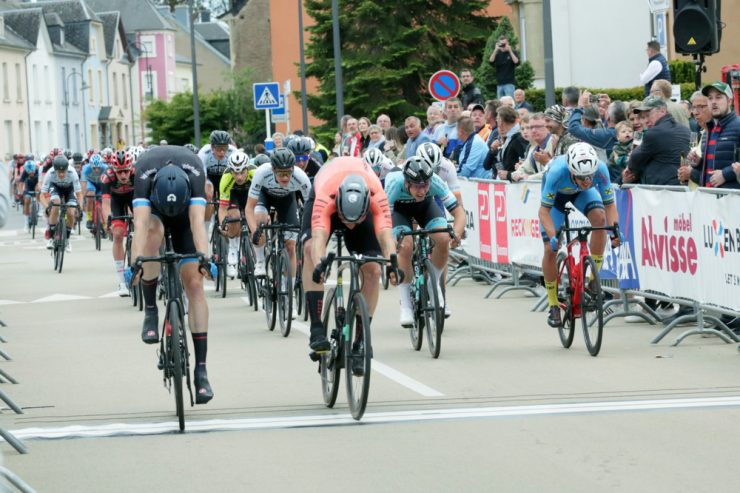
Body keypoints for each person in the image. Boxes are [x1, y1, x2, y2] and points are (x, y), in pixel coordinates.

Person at [130, 146, 214, 404]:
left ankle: (201, 369)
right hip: (154, 214)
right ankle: (151, 309)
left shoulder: (196, 172)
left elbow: (198, 223)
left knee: (195, 286)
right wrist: (135, 264)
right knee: (152, 235)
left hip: (185, 220)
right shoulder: (144, 171)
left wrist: (205, 259)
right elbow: (140, 225)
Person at [302, 158, 399, 366]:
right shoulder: (325, 196)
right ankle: (316, 327)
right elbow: (319, 238)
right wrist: (321, 264)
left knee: (373, 269)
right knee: (309, 249)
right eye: (346, 221)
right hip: (327, 193)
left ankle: (361, 339)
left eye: (353, 221)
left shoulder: (376, 196)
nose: (350, 226)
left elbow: (386, 237)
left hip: (361, 201)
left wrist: (392, 264)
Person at [539, 143, 620, 327]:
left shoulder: (600, 169)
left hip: (581, 195)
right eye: (582, 177)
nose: (587, 181)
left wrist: (615, 229)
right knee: (549, 249)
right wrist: (553, 237)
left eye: (589, 176)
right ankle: (552, 304)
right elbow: (543, 212)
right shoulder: (557, 172)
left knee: (599, 220)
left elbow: (610, 206)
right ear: (571, 171)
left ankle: (592, 280)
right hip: (557, 199)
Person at [386, 157, 466, 324]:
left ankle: (433, 283)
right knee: (406, 246)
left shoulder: (435, 182)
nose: (422, 191)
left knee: (443, 238)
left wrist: (457, 233)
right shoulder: (394, 183)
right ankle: (406, 305)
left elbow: (459, 212)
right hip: (399, 211)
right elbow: (384, 223)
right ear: (407, 183)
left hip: (425, 207)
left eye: (425, 185)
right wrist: (390, 250)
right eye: (417, 186)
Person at [246, 148, 311, 280]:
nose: (285, 177)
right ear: (273, 169)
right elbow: (249, 207)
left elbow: (311, 207)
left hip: (287, 200)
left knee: (291, 247)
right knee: (259, 219)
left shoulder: (301, 177)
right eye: (281, 173)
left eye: (288, 173)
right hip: (265, 196)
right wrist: (254, 231)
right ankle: (260, 261)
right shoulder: (262, 173)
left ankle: (289, 289)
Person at [623, 96, 689, 186]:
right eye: (643, 117)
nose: (645, 120)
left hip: (662, 191)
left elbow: (633, 163)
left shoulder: (654, 133)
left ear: (663, 110)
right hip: (682, 188)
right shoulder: (685, 129)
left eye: (648, 115)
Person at [687, 82, 740, 190]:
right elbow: (714, 165)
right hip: (709, 199)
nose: (714, 102)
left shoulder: (738, 125)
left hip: (732, 200)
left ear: (729, 101)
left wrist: (725, 174)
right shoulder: (708, 130)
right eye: (710, 98)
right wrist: (698, 163)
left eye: (718, 97)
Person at [101, 150, 136, 296]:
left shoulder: (137, 174)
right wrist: (108, 220)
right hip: (116, 202)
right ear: (114, 169)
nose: (122, 175)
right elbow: (106, 203)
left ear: (130, 168)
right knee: (118, 235)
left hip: (134, 198)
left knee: (145, 227)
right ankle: (122, 281)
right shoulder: (107, 177)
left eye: (125, 171)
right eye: (119, 172)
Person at [218, 150, 256, 279]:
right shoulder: (226, 178)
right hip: (233, 196)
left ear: (247, 169)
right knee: (233, 217)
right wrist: (223, 224)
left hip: (250, 196)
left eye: (242, 172)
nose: (239, 177)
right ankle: (233, 249)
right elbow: (222, 208)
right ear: (231, 171)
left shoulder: (255, 173)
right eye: (235, 173)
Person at [41, 156, 82, 251]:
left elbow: (79, 194)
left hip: (69, 189)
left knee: (71, 213)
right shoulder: (49, 173)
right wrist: (47, 207)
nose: (62, 174)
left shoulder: (73, 173)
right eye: (59, 172)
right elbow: (42, 195)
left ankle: (67, 240)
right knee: (56, 203)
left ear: (67, 169)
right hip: (55, 188)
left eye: (64, 172)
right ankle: (51, 238)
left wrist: (79, 207)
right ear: (55, 170)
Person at [199, 130, 235, 226]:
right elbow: (202, 176)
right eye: (219, 148)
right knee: (208, 195)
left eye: (225, 148)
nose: (222, 152)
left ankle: (227, 224)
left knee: (230, 198)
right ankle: (206, 229)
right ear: (212, 147)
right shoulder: (204, 152)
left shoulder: (233, 152)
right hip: (210, 177)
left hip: (225, 177)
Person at [486, 106, 527, 181]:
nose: (497, 121)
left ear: (501, 121)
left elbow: (526, 165)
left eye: (497, 119)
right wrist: (492, 150)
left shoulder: (518, 139)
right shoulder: (505, 138)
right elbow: (486, 165)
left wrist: (508, 175)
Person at [513, 112, 555, 181]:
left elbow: (553, 172)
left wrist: (528, 178)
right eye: (531, 127)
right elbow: (523, 169)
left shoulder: (554, 143)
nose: (533, 130)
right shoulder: (536, 148)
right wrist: (516, 175)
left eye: (538, 127)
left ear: (548, 128)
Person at [80, 154, 108, 230]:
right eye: (94, 168)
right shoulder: (85, 168)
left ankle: (105, 220)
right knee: (90, 195)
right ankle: (89, 218)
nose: (96, 170)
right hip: (91, 183)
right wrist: (83, 197)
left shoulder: (106, 168)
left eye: (98, 168)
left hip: (101, 184)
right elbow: (83, 184)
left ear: (101, 165)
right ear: (90, 165)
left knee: (104, 200)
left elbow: (109, 183)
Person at [18, 160, 41, 233]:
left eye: (32, 172)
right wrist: (21, 192)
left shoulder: (38, 171)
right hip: (28, 187)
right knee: (27, 200)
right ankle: (26, 223)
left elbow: (42, 181)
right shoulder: (25, 172)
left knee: (38, 193)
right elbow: (21, 183)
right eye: (29, 173)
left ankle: (39, 210)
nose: (31, 174)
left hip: (37, 185)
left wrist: (39, 187)